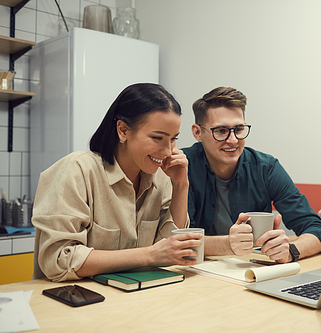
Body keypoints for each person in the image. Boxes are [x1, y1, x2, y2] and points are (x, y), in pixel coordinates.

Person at [32, 83, 202, 282]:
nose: (168, 151)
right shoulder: (77, 170)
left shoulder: (160, 176)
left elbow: (171, 250)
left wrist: (181, 185)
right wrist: (149, 255)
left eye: (174, 139)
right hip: (74, 301)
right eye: (158, 138)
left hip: (132, 298)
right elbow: (59, 260)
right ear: (122, 130)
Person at [183, 87, 321, 264]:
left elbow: (316, 229)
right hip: (195, 273)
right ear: (198, 132)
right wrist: (228, 244)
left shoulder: (266, 168)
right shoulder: (182, 168)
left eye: (238, 129)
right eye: (221, 131)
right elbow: (177, 241)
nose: (233, 140)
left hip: (252, 271)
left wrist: (290, 251)